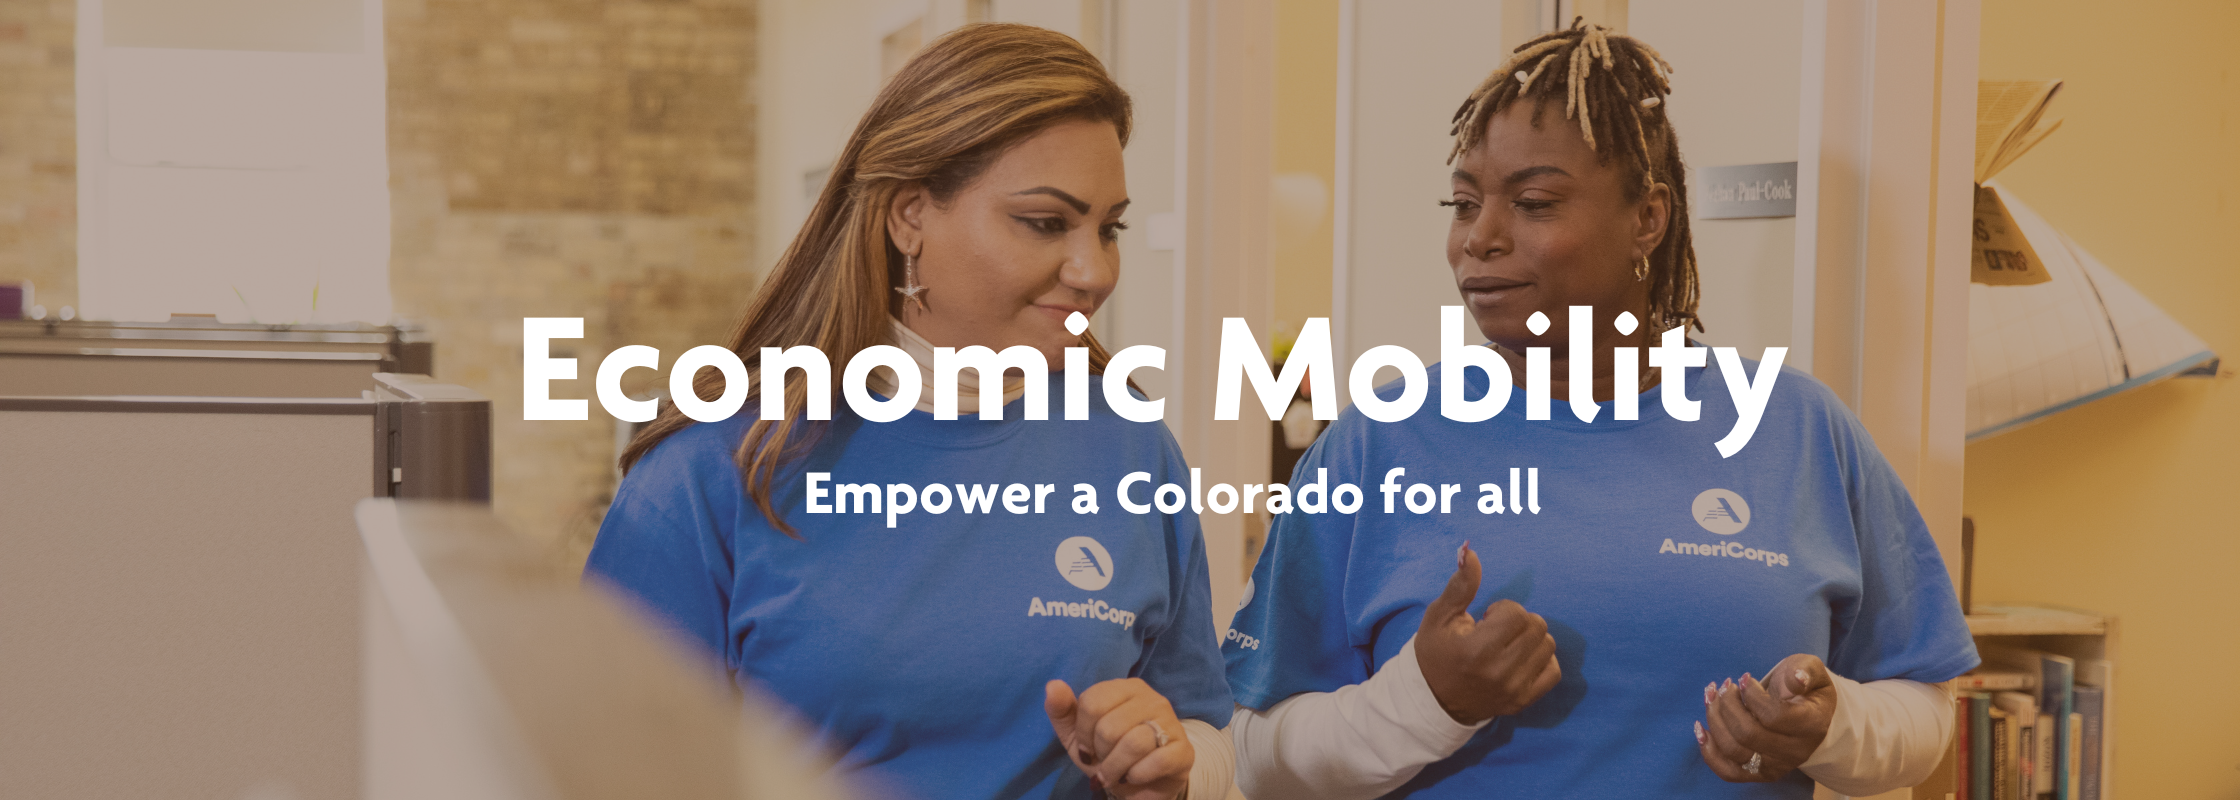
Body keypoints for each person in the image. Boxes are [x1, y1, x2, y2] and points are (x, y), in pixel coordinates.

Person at [1222, 21, 1978, 799]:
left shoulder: (1799, 429)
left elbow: (1923, 711)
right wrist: (1421, 703)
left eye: (1535, 202)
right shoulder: (1374, 441)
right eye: (1463, 203)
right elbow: (1254, 752)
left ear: (1648, 218)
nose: (1479, 238)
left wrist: (1833, 726)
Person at [586, 24, 1232, 800]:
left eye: (1109, 227)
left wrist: (1167, 767)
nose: (1094, 270)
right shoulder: (719, 463)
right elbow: (599, 765)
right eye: (1045, 221)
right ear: (909, 217)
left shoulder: (1130, 445)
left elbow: (1199, 727)